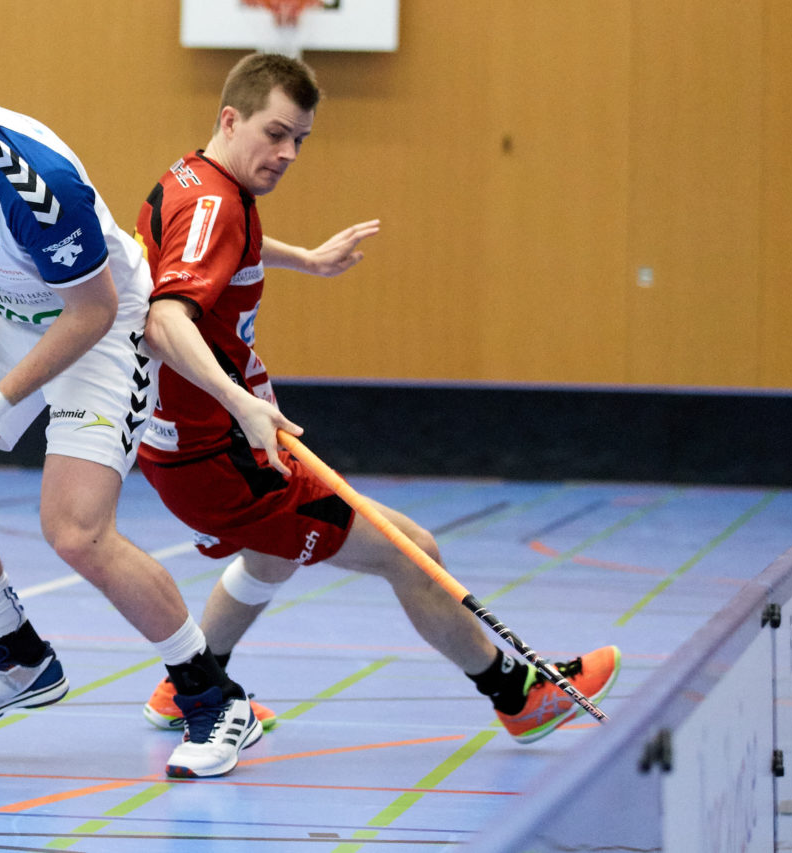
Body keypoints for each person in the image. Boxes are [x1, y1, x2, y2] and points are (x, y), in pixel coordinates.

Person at [133, 52, 620, 743]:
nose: (288, 152)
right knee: (408, 548)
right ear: (230, 118)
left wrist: (306, 259)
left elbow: (218, 245)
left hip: (189, 447)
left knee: (273, 553)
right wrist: (240, 402)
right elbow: (165, 318)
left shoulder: (195, 180)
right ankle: (519, 695)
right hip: (220, 453)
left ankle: (193, 681)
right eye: (275, 133)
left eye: (299, 139)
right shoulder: (217, 203)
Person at [0, 23, 262, 778]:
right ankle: (18, 653)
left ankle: (213, 696)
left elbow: (93, 311)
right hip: (6, 310)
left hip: (101, 327)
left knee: (76, 531)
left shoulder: (35, 183)